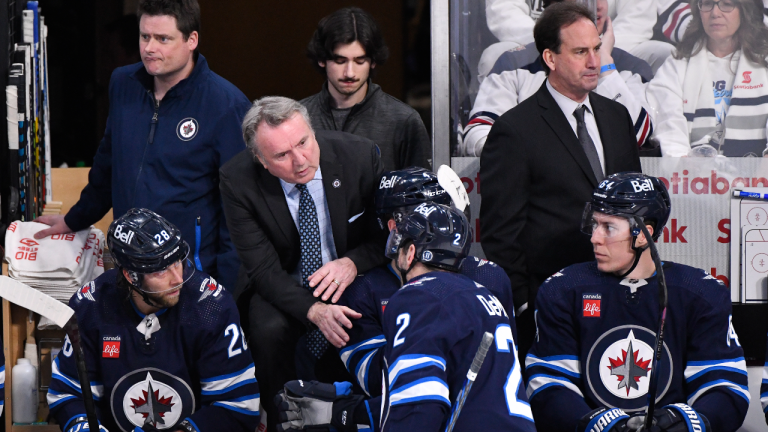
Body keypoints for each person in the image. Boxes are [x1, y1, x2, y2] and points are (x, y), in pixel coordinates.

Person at [270, 166, 516, 432]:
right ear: (394, 227)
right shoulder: (363, 290)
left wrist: (342, 410)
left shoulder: (475, 279)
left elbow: (412, 396)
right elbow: (380, 382)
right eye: (424, 215)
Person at [32, 0, 250, 290]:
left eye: (163, 39)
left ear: (191, 40)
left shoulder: (226, 105)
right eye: (145, 36)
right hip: (130, 264)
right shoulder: (124, 83)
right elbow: (109, 163)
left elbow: (238, 209)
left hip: (189, 274)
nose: (149, 48)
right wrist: (75, 219)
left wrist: (224, 294)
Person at [480, 1, 642, 365]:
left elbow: (636, 208)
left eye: (597, 48)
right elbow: (500, 234)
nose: (593, 62)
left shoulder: (617, 117)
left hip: (621, 299)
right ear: (550, 59)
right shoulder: (515, 130)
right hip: (552, 307)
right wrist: (526, 306)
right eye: (581, 52)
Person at [526, 173, 749, 432]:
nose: (594, 237)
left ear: (643, 235)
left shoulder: (700, 293)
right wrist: (597, 425)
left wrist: (687, 424)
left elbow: (724, 385)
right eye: (594, 224)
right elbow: (548, 384)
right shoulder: (563, 290)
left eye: (608, 227)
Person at [219, 96, 386, 430]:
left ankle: (365, 415)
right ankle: (280, 417)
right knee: (268, 328)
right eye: (281, 155)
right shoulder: (237, 180)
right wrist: (314, 310)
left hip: (352, 276)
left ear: (312, 131)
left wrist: (352, 263)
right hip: (284, 280)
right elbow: (263, 269)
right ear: (261, 159)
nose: (299, 161)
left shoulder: (360, 156)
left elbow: (388, 239)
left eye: (303, 143)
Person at [47, 208, 260, 432]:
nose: (178, 279)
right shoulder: (91, 306)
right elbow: (68, 394)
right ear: (131, 275)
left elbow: (238, 406)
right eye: (161, 271)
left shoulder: (211, 307)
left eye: (178, 261)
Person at [463, 0, 655, 156]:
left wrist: (605, 65)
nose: (595, 5)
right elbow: (478, 132)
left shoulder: (625, 67)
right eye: (580, 51)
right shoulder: (514, 65)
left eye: (595, 49)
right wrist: (525, 155)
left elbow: (638, 135)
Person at [301, 7, 431, 172]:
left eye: (359, 61)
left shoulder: (403, 120)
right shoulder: (299, 119)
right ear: (322, 60)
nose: (349, 72)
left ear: (373, 62)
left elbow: (420, 191)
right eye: (340, 61)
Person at [647, 0, 768, 157]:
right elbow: (669, 128)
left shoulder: (764, 63)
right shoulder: (676, 65)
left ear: (744, 10)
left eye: (726, 4)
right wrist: (690, 170)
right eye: (707, 3)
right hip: (694, 176)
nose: (715, 13)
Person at [486, 0, 674, 72]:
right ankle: (499, 129)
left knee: (663, 54)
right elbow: (502, 13)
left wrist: (597, 49)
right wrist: (558, 42)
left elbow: (638, 18)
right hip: (541, 42)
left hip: (615, 43)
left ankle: (656, 134)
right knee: (494, 55)